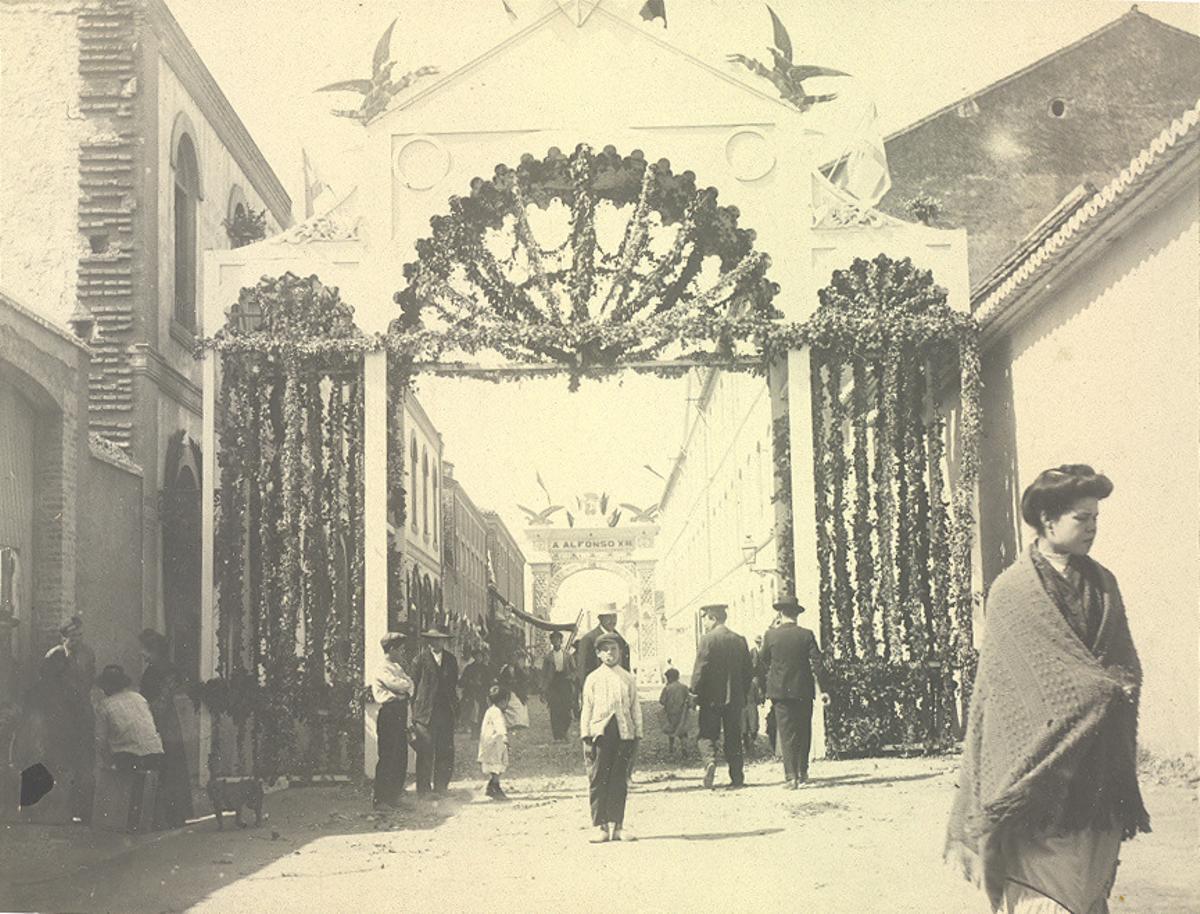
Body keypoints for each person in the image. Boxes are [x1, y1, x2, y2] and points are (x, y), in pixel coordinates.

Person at [946, 465, 1149, 914]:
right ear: (1046, 519)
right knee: (1044, 900)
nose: (1092, 528)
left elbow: (1124, 663)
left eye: (1096, 518)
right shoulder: (1012, 592)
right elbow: (1000, 696)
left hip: (1094, 770)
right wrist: (1095, 692)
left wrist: (1110, 689)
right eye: (1082, 518)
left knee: (1088, 889)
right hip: (1037, 782)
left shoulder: (1103, 584)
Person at [756, 596, 830, 788]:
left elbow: (762, 660)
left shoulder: (771, 635)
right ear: (797, 614)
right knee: (804, 730)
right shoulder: (806, 635)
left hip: (780, 692)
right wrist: (824, 689)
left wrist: (768, 684)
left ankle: (791, 777)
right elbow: (818, 664)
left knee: (786, 732)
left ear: (780, 613)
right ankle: (803, 771)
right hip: (803, 690)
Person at [580, 632, 642, 844]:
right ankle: (601, 826)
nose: (610, 653)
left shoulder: (627, 678)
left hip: (623, 733)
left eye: (613, 649)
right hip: (600, 734)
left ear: (620, 652)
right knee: (598, 778)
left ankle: (618, 825)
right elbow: (586, 708)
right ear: (598, 654)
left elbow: (635, 707)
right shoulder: (593, 679)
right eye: (605, 650)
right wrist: (586, 736)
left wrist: (637, 734)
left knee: (619, 779)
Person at [690, 604, 752, 789]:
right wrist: (742, 692)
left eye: (706, 620)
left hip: (711, 699)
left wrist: (694, 692)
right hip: (734, 699)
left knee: (707, 734)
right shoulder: (739, 639)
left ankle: (709, 761)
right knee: (734, 737)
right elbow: (748, 671)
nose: (705, 624)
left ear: (713, 618)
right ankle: (737, 779)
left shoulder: (707, 640)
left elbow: (700, 669)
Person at [137, 629, 194, 827]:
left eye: (144, 650)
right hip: (172, 725)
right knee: (175, 767)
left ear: (153, 651)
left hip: (158, 723)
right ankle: (177, 814)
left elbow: (154, 702)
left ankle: (161, 817)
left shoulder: (152, 673)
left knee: (163, 768)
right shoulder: (171, 669)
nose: (142, 654)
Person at [45, 614, 96, 823]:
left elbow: (90, 679)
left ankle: (83, 809)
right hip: (62, 716)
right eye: (73, 637)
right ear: (63, 637)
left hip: (82, 713)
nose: (78, 641)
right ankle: (62, 810)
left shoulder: (87, 653)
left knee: (84, 762)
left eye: (81, 635)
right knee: (63, 761)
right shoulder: (54, 656)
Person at [410, 630, 459, 796]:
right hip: (425, 713)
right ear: (428, 641)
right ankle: (424, 790)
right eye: (433, 640)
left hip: (445, 712)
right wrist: (413, 714)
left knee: (445, 750)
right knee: (425, 750)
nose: (436, 643)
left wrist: (456, 711)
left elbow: (453, 686)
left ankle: (441, 786)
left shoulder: (451, 660)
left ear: (444, 641)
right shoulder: (419, 660)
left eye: (440, 640)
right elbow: (413, 687)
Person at [372, 632, 414, 808]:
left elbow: (410, 684)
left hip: (400, 711)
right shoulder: (383, 667)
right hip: (389, 712)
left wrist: (404, 688)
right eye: (400, 649)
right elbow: (399, 685)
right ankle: (381, 799)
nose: (402, 652)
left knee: (400, 756)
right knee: (388, 756)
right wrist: (402, 689)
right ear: (391, 649)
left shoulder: (397, 667)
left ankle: (394, 796)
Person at [94, 665, 164, 772]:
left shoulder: (104, 706)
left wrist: (108, 765)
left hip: (129, 758)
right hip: (155, 754)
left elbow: (101, 741)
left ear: (105, 686)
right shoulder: (139, 698)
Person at [576, 608, 630, 685]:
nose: (612, 620)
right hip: (599, 688)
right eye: (608, 617)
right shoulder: (588, 640)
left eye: (614, 616)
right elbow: (583, 670)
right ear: (600, 618)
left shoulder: (620, 640)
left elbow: (625, 667)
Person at [541, 631, 575, 741]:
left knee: (566, 710)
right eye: (554, 639)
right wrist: (543, 689)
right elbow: (544, 674)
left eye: (558, 639)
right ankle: (557, 736)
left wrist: (571, 677)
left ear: (561, 641)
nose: (556, 642)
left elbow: (574, 670)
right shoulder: (548, 657)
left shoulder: (567, 655)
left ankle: (564, 732)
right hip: (553, 683)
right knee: (555, 709)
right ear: (551, 642)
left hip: (565, 682)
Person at [478, 685, 510, 801]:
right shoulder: (497, 712)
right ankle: (494, 787)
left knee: (494, 765)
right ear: (503, 701)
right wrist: (505, 737)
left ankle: (492, 786)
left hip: (488, 741)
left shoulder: (490, 710)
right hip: (496, 742)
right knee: (497, 765)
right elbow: (500, 726)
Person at [658, 667, 691, 756]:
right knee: (683, 732)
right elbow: (689, 699)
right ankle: (685, 748)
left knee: (671, 731)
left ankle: (671, 748)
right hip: (682, 713)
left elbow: (662, 701)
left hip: (671, 713)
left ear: (669, 678)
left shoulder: (667, 688)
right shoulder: (684, 687)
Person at [458, 649, 488, 733]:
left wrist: (482, 684)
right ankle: (466, 726)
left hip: (481, 691)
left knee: (483, 706)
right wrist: (470, 681)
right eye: (477, 656)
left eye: (480, 656)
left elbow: (488, 680)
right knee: (468, 705)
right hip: (470, 691)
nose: (479, 658)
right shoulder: (469, 668)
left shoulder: (485, 668)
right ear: (474, 657)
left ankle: (481, 726)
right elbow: (463, 680)